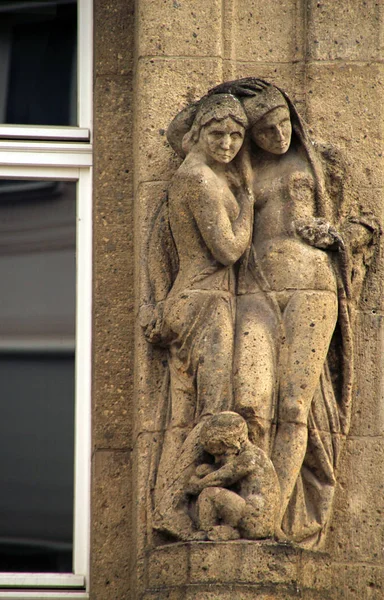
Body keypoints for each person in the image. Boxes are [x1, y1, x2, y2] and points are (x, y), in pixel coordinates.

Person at [167, 78, 378, 547]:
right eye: (263, 130)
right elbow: (176, 133)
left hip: (312, 285)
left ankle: (272, 521)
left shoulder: (325, 162)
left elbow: (368, 224)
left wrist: (336, 235)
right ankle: (248, 506)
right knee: (251, 401)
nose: (277, 136)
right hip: (259, 290)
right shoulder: (236, 161)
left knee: (292, 406)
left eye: (283, 123)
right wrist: (229, 93)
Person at [146, 93, 253, 539]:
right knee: (209, 415)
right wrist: (247, 207)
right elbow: (227, 250)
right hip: (206, 302)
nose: (228, 144)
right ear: (199, 133)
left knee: (183, 412)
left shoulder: (183, 179)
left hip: (183, 300)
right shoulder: (202, 181)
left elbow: (157, 247)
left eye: (236, 135)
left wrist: (157, 299)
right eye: (218, 134)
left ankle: (165, 504)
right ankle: (175, 505)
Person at [187, 411, 280, 541]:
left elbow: (222, 477)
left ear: (233, 443)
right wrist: (209, 469)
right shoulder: (246, 456)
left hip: (254, 520)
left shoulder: (251, 457)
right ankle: (231, 531)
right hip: (253, 518)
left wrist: (197, 485)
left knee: (209, 493)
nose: (216, 459)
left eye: (221, 453)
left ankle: (205, 531)